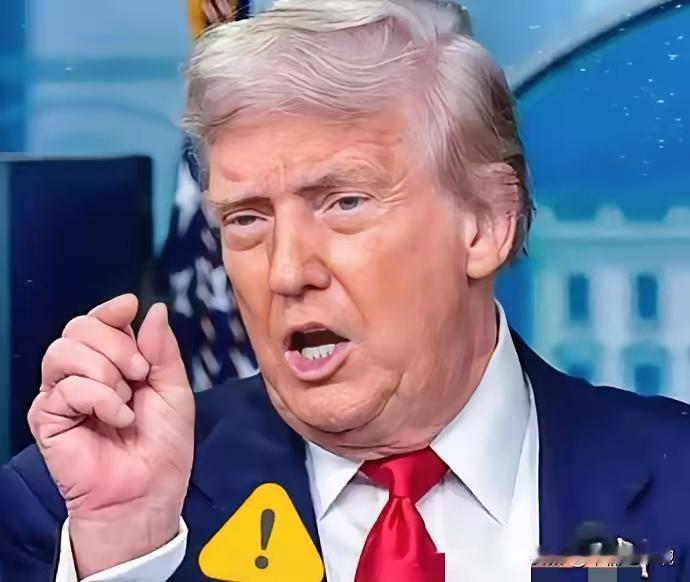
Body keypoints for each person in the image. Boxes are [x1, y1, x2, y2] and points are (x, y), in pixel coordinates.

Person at [2, 1, 690, 581]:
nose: (285, 271)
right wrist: (129, 554)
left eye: (344, 203)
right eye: (247, 219)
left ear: (486, 223)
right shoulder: (74, 511)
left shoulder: (677, 483)